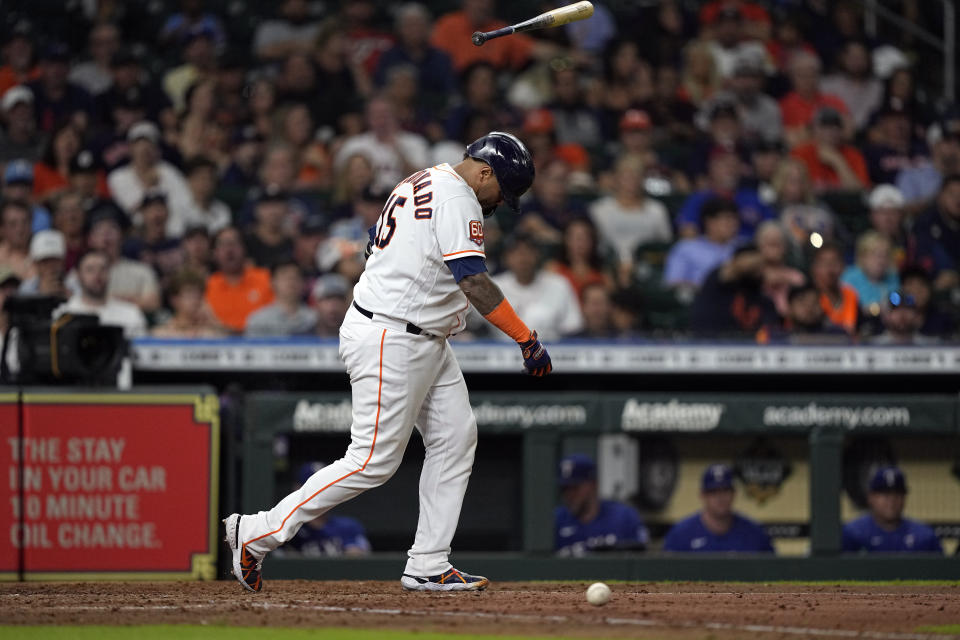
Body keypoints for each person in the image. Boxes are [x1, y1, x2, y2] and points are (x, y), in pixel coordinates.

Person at [223, 131, 550, 594]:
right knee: (372, 460)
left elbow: (377, 251)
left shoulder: (422, 178)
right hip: (392, 336)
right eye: (503, 190)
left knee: (456, 438)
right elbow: (474, 283)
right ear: (484, 171)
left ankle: (429, 563)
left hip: (419, 334)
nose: (502, 203)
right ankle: (257, 532)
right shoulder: (458, 198)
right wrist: (526, 339)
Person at [588, 154, 672, 278]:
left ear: (642, 179)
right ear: (616, 178)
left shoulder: (656, 210)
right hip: (608, 268)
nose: (630, 181)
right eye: (626, 177)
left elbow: (663, 245)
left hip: (646, 269)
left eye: (635, 176)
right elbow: (596, 246)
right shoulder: (599, 209)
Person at [489, 233, 584, 341]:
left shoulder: (559, 284)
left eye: (528, 251)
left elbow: (573, 328)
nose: (523, 258)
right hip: (503, 354)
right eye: (516, 252)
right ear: (506, 258)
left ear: (538, 255)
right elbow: (474, 324)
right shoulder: (493, 286)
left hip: (551, 353)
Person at [107, 121, 195, 236]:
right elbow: (131, 212)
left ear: (156, 149)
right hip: (137, 235)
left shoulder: (168, 171)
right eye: (139, 144)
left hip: (174, 233)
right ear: (130, 148)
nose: (144, 148)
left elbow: (186, 203)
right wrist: (150, 188)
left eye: (149, 143)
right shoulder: (118, 177)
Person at [662, 463, 774, 553]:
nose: (720, 498)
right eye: (713, 492)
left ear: (734, 494)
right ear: (702, 495)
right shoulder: (680, 534)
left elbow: (773, 573)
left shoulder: (755, 534)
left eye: (725, 490)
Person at [554, 454, 649, 556]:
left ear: (594, 484)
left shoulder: (624, 517)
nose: (569, 495)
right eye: (564, 489)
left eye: (575, 488)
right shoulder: (555, 521)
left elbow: (641, 557)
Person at [281, 462, 372, 557]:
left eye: (326, 487)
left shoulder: (348, 526)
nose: (321, 493)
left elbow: (359, 561)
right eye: (314, 488)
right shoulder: (287, 530)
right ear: (297, 489)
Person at [843, 466, 942, 553]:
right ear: (871, 497)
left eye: (897, 494)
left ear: (904, 497)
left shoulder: (924, 537)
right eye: (885, 494)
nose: (892, 500)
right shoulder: (852, 533)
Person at [689, 243, 780, 338]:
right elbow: (733, 271)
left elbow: (769, 335)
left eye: (761, 265)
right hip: (710, 343)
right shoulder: (718, 283)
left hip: (751, 347)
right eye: (755, 264)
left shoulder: (764, 301)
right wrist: (755, 260)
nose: (757, 268)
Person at [58, 249, 146, 337]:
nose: (97, 274)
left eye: (103, 268)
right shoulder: (64, 315)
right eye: (90, 269)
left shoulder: (131, 314)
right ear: (78, 275)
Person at [205, 226, 274, 333]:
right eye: (223, 244)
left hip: (260, 343)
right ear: (214, 253)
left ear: (244, 249)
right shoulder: (207, 285)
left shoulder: (265, 278)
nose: (229, 250)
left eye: (234, 243)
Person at [663, 198, 740, 291]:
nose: (733, 224)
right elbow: (673, 283)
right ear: (709, 222)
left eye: (735, 219)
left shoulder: (741, 247)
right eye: (727, 218)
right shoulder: (686, 248)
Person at [790, 107, 869, 192]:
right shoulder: (800, 153)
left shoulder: (853, 155)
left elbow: (860, 193)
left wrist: (838, 162)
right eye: (825, 126)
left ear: (841, 131)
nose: (831, 132)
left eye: (835, 126)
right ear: (814, 130)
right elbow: (793, 188)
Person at [896, 117, 960, 213]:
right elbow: (905, 210)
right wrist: (944, 197)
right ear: (934, 145)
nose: (954, 146)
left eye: (957, 142)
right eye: (948, 141)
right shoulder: (912, 175)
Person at [910, 174, 960, 292]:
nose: (958, 200)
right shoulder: (925, 223)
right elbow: (921, 259)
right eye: (952, 194)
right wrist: (935, 277)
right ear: (941, 196)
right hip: (930, 286)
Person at [245, 260, 316, 337]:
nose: (291, 281)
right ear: (272, 282)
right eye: (285, 276)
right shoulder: (258, 320)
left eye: (295, 277)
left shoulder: (315, 319)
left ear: (303, 283)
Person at [151, 269, 224, 338]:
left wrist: (213, 320)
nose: (195, 300)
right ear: (175, 300)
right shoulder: (162, 334)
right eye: (190, 295)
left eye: (198, 295)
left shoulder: (210, 334)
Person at [841, 230, 900, 315]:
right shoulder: (849, 277)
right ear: (863, 257)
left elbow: (895, 306)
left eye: (886, 255)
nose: (881, 260)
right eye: (876, 254)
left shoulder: (892, 277)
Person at [810, 242, 859, 335]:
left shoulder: (851, 294)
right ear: (814, 268)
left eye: (834, 262)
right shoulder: (807, 298)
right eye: (824, 263)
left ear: (843, 266)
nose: (830, 269)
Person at [870, 291, 940, 346]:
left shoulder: (931, 345)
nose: (902, 314)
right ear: (884, 316)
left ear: (917, 316)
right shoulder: (872, 346)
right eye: (896, 310)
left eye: (908, 309)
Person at [18, 229, 67, 297]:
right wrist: (41, 294)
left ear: (62, 261)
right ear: (35, 263)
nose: (51, 266)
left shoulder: (75, 285)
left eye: (54, 260)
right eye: (45, 261)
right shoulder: (25, 290)